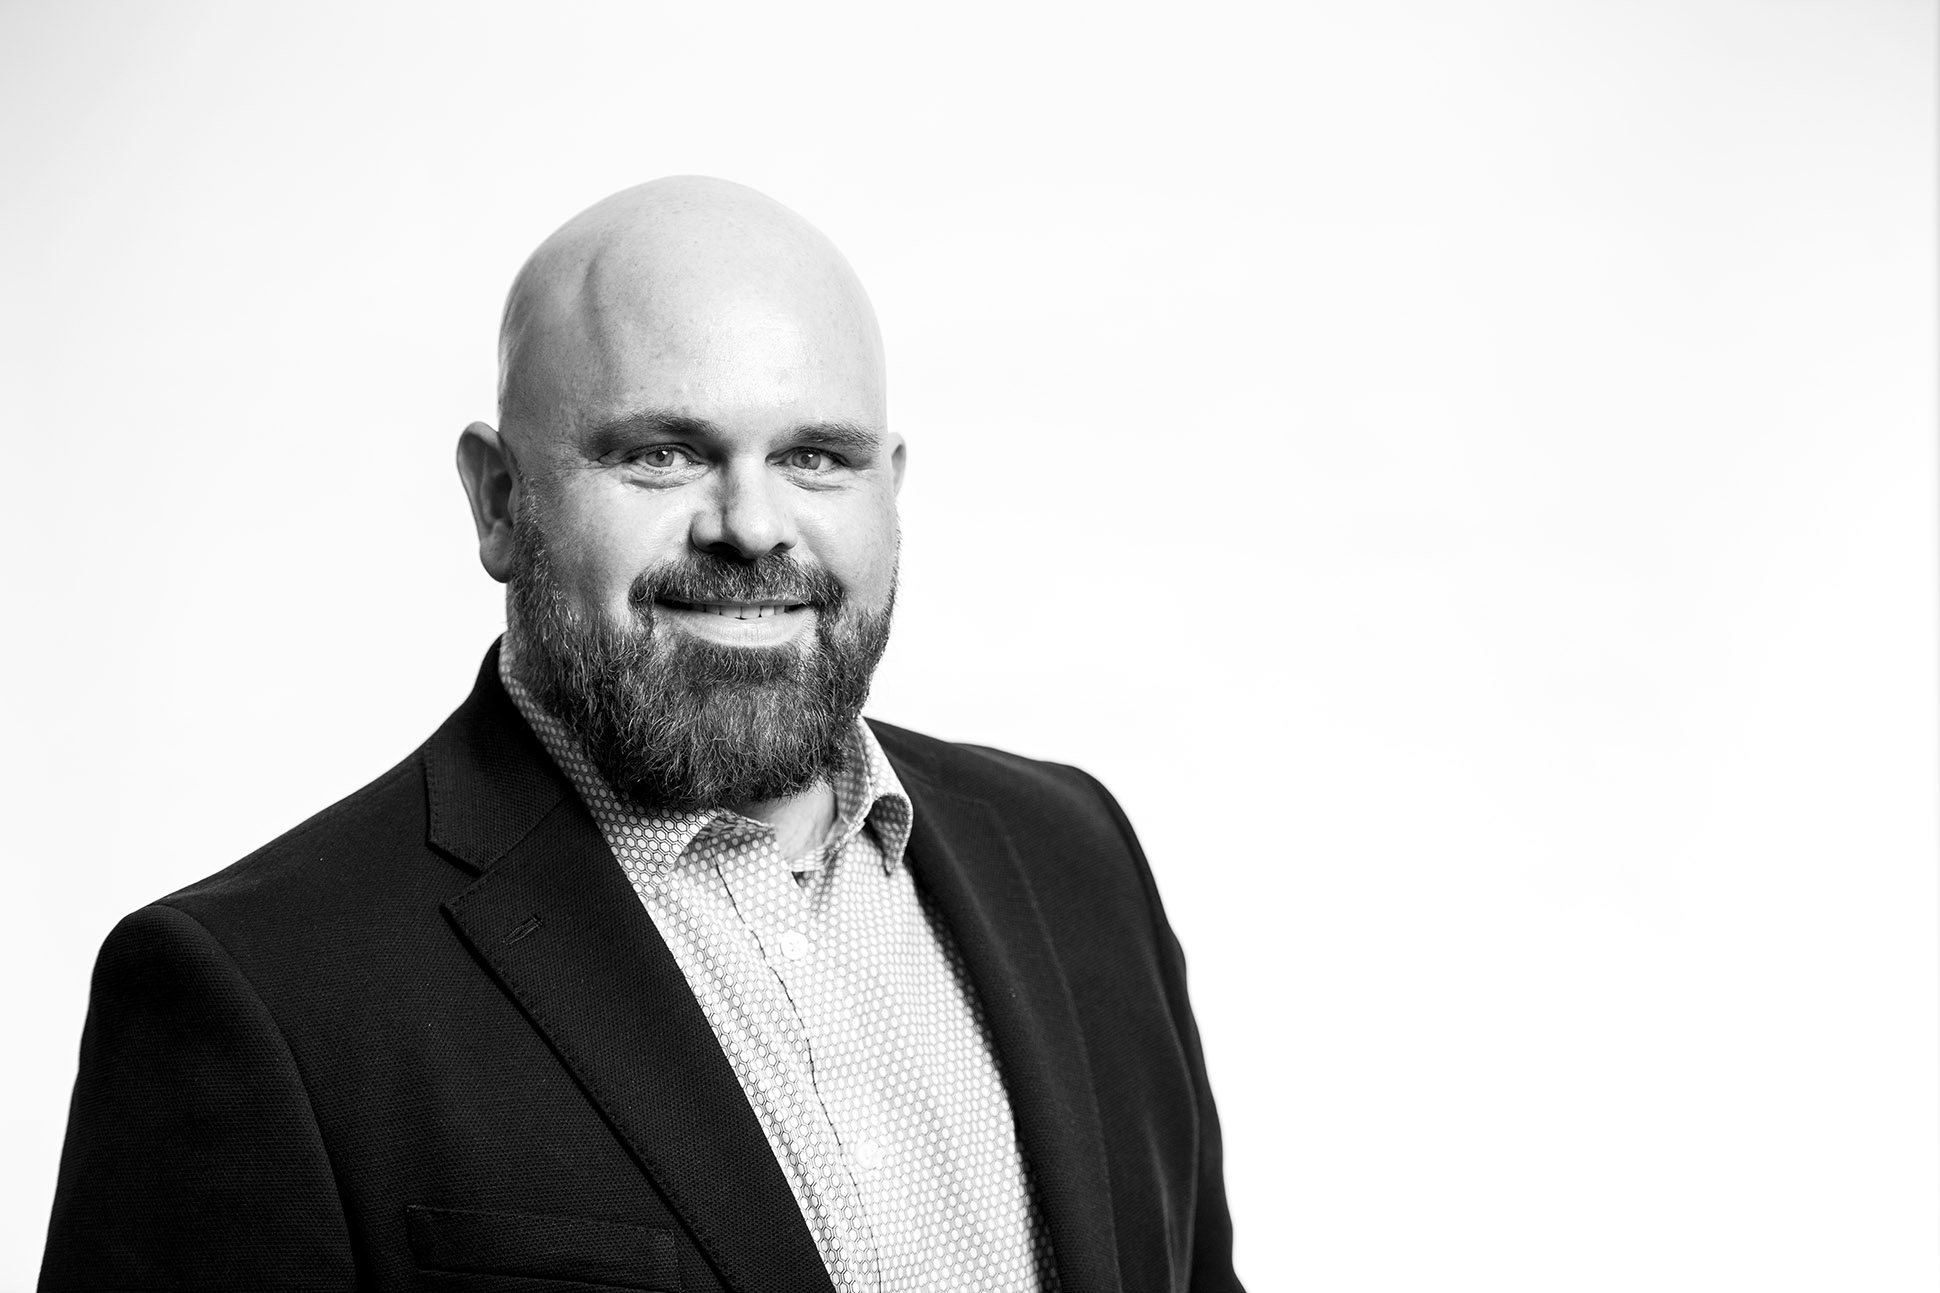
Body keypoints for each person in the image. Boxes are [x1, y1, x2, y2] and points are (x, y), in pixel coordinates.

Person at [39, 177, 1244, 1293]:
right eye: (659, 454)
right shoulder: (258, 994)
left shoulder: (1075, 859)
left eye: (816, 457)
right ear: (499, 500)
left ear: (890, 486)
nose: (751, 527)